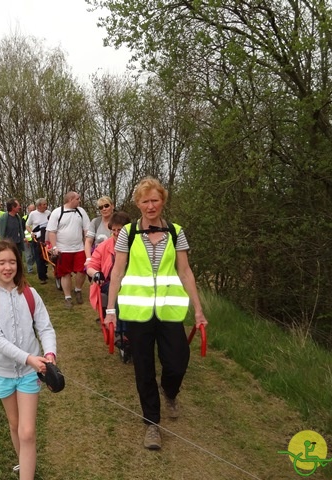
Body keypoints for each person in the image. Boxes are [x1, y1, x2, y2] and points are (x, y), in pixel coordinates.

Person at [104, 177, 208, 450]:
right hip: (137, 312)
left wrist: (198, 310)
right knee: (144, 368)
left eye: (155, 200)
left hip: (169, 309)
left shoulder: (176, 232)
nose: (150, 206)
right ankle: (152, 423)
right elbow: (117, 271)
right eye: (145, 201)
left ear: (163, 201)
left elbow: (185, 272)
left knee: (177, 360)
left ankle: (170, 391)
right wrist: (110, 310)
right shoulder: (127, 232)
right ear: (137, 203)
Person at [0, 240, 57, 479]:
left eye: (12, 262)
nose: (7, 267)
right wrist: (29, 358)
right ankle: (25, 462)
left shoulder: (30, 294)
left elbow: (46, 328)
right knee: (14, 424)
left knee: (28, 431)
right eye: (1, 262)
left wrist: (49, 354)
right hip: (1, 372)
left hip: (30, 373)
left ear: (18, 265)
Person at [46, 191, 91, 309]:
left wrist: (88, 244)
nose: (79, 200)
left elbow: (87, 229)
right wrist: (54, 247)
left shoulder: (81, 212)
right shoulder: (57, 212)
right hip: (63, 250)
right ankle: (68, 298)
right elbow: (52, 232)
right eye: (78, 198)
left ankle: (78, 290)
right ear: (71, 199)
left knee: (82, 271)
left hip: (79, 248)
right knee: (65, 274)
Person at [86, 211, 131, 316]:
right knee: (118, 290)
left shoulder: (135, 244)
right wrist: (96, 273)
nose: (116, 233)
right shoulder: (104, 246)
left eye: (119, 230)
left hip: (130, 281)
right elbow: (91, 266)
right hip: (109, 282)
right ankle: (120, 328)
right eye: (113, 230)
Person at [25, 198, 51, 285]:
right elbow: (27, 225)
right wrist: (31, 232)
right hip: (38, 238)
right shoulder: (33, 214)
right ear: (39, 206)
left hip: (48, 237)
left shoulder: (48, 213)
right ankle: (42, 277)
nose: (46, 206)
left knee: (48, 256)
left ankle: (46, 271)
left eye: (46, 204)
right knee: (40, 257)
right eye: (44, 204)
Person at [84, 196, 115, 266]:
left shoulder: (119, 221)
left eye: (106, 206)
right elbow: (88, 241)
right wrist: (88, 259)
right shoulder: (95, 222)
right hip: (98, 258)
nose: (104, 209)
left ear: (112, 206)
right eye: (101, 207)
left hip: (115, 258)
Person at [23, 204, 35, 273]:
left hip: (34, 240)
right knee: (28, 255)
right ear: (28, 210)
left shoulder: (37, 217)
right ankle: (29, 269)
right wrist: (24, 238)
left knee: (34, 255)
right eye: (31, 210)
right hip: (26, 240)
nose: (32, 212)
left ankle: (31, 264)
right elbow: (21, 229)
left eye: (33, 210)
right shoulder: (24, 218)